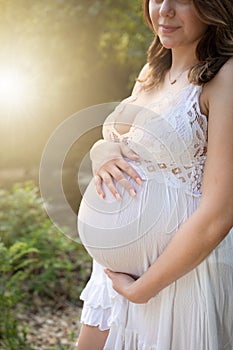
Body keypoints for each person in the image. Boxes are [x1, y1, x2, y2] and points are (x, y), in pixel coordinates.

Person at [76, 0, 233, 349]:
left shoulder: (225, 78)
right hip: (113, 280)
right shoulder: (152, 73)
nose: (164, 10)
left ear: (213, 7)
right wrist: (100, 151)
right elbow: (116, 135)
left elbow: (219, 214)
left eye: (182, 0)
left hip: (180, 278)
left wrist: (143, 288)